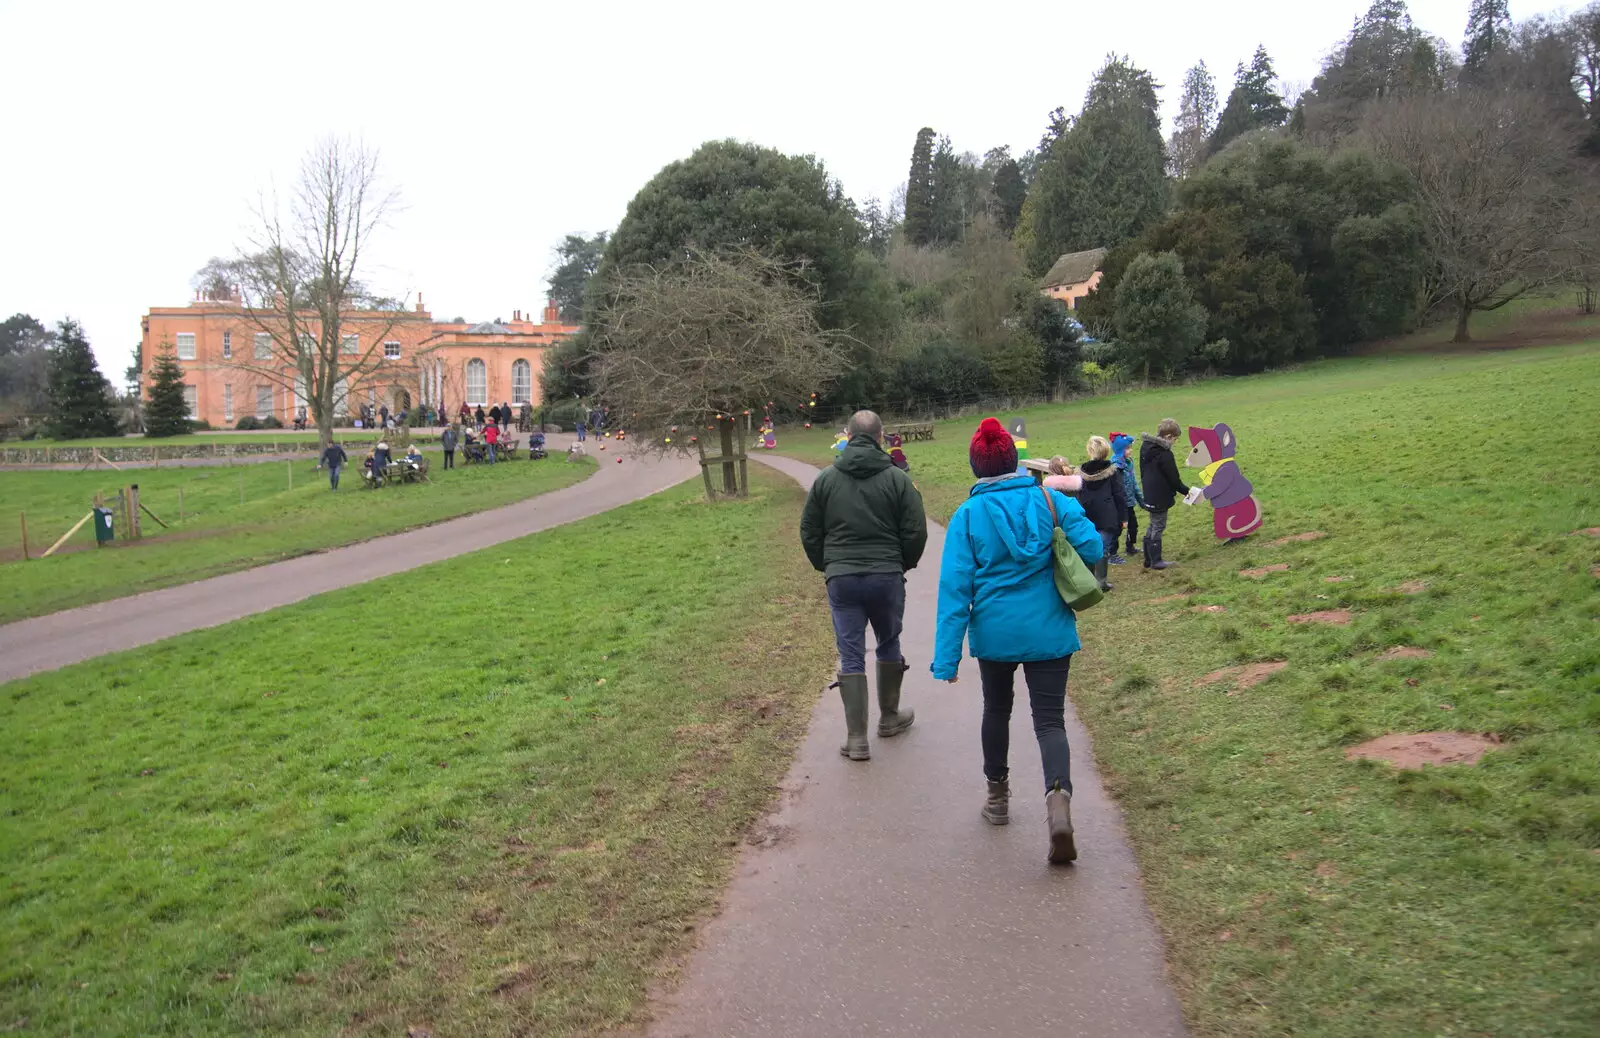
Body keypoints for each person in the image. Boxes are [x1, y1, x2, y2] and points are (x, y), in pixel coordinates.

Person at [932, 417, 1103, 864]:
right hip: (1050, 629)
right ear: (1014, 460)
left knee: (996, 710)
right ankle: (1058, 801)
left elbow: (955, 590)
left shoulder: (968, 515)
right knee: (1050, 722)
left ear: (977, 468)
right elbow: (1093, 549)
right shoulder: (1049, 499)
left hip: (995, 635)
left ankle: (998, 800)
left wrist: (946, 660)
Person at [799, 410, 928, 762]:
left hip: (842, 578)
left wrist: (827, 565)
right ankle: (889, 717)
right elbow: (915, 530)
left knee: (850, 652)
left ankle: (856, 738)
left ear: (847, 436)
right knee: (889, 641)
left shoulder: (826, 480)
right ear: (880, 437)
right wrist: (903, 563)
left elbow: (809, 530)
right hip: (886, 574)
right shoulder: (898, 480)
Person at [1077, 436, 1127, 592]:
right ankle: (1101, 582)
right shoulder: (1112, 471)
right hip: (1107, 514)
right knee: (1102, 548)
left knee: (1090, 545)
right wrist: (1124, 517)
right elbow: (1119, 494)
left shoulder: (1081, 472)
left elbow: (1078, 494)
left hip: (1087, 513)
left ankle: (1090, 581)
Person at [1139, 418, 1190, 570]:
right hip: (1160, 496)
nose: (1175, 442)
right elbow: (1174, 479)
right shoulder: (1165, 455)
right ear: (1168, 437)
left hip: (1148, 493)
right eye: (1175, 439)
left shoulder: (1146, 447)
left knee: (1152, 523)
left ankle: (1148, 559)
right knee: (1158, 525)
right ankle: (1156, 560)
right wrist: (1187, 492)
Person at [1109, 433, 1146, 564]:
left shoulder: (1128, 464)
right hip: (1120, 504)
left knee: (1133, 526)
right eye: (1127, 448)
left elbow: (1134, 484)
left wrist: (1142, 501)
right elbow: (1117, 490)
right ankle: (1111, 554)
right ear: (1120, 450)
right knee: (1117, 529)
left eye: (1130, 448)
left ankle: (1130, 547)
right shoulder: (1116, 468)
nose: (1130, 451)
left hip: (1130, 503)